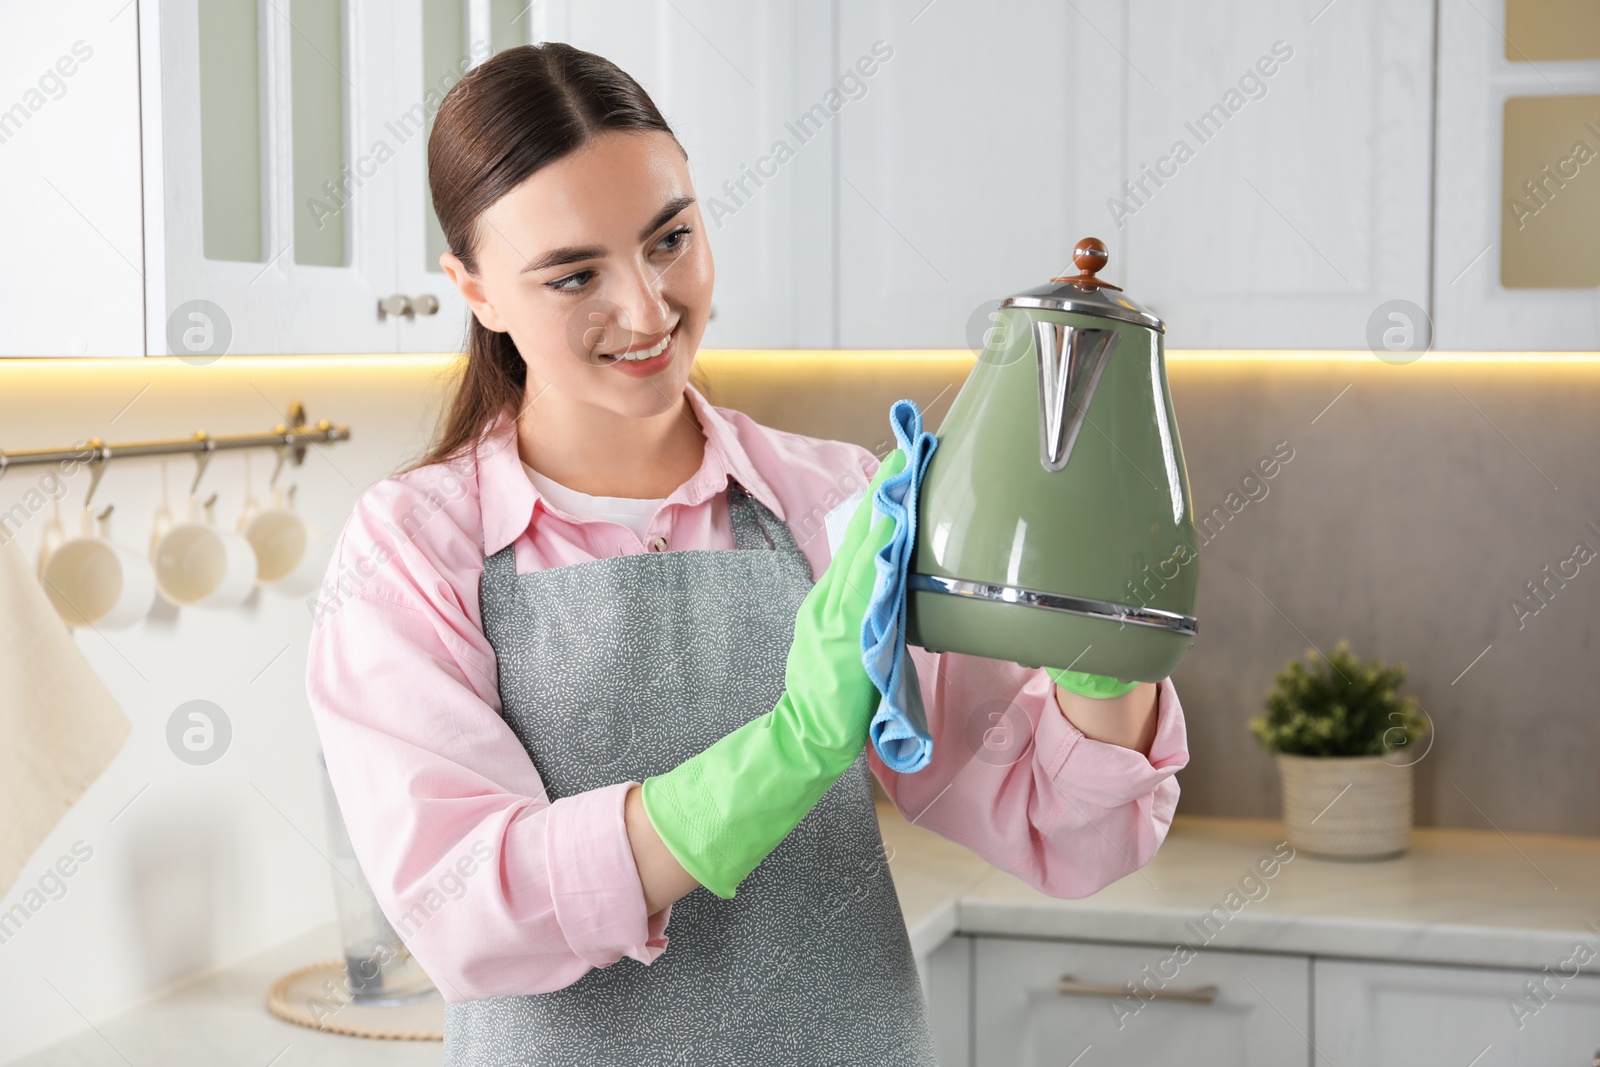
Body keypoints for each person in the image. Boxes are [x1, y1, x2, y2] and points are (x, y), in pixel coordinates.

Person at [305, 41, 1189, 1067]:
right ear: (476, 289)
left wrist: (1102, 642)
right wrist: (790, 747)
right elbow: (466, 908)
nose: (645, 309)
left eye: (669, 238)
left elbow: (1069, 832)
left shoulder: (835, 504)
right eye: (573, 272)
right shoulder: (412, 546)